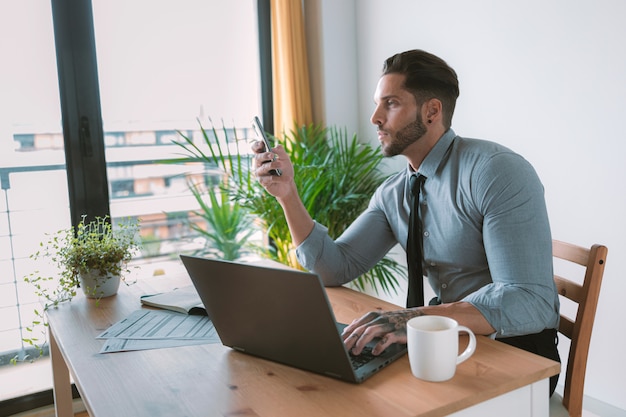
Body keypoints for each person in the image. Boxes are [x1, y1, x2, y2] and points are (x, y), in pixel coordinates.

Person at [252, 49, 561, 395]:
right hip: (445, 342)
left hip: (518, 353)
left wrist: (416, 318)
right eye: (376, 104)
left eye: (391, 104)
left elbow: (529, 300)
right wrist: (287, 194)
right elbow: (333, 268)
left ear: (431, 111)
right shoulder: (395, 192)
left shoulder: (495, 172)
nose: (374, 118)